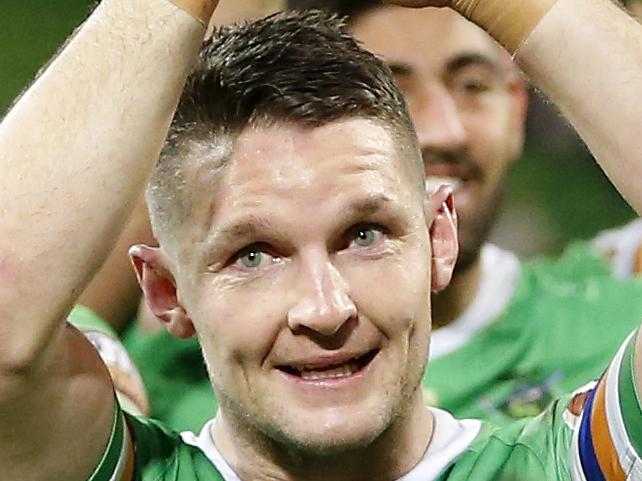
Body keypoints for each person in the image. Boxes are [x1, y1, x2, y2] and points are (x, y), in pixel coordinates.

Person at [3, 1, 642, 481]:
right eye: (252, 255)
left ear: (437, 239)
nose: (325, 308)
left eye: (364, 235)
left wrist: (516, 5)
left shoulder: (560, 467)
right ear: (169, 292)